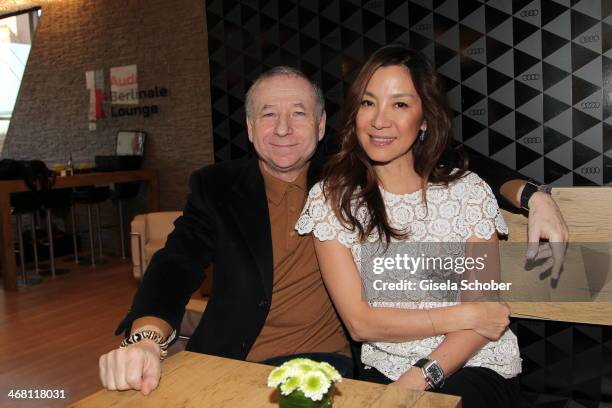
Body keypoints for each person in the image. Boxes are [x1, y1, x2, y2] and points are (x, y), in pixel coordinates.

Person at [98, 63, 567, 396]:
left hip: (325, 366)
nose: (283, 128)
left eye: (299, 113)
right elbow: (175, 263)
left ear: (323, 125)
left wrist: (531, 194)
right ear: (247, 125)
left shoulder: (348, 179)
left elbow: (451, 157)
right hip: (229, 359)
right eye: (268, 114)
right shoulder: (215, 186)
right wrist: (145, 338)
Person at [295, 44, 524, 407]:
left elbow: (485, 324)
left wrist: (416, 379)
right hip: (384, 366)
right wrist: (465, 313)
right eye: (368, 103)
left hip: (474, 363)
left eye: (399, 104)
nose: (379, 120)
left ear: (425, 120)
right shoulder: (332, 199)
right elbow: (361, 323)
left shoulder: (468, 193)